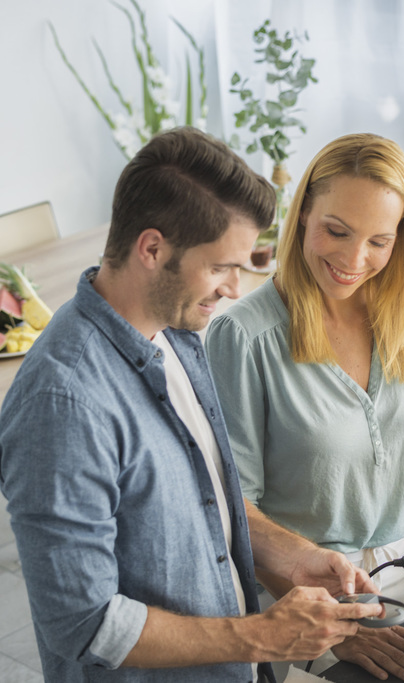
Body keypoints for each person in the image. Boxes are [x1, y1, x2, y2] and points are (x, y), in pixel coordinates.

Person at [0, 127, 384, 683]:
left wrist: (288, 556)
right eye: (221, 267)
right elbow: (81, 622)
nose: (233, 287)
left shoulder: (177, 330)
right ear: (152, 249)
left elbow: (204, 506)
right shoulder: (63, 402)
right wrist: (266, 635)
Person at [205, 133, 404, 681]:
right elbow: (235, 510)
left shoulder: (402, 314)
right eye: (336, 231)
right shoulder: (243, 337)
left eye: (379, 240)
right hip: (306, 601)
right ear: (302, 214)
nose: (354, 260)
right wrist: (335, 625)